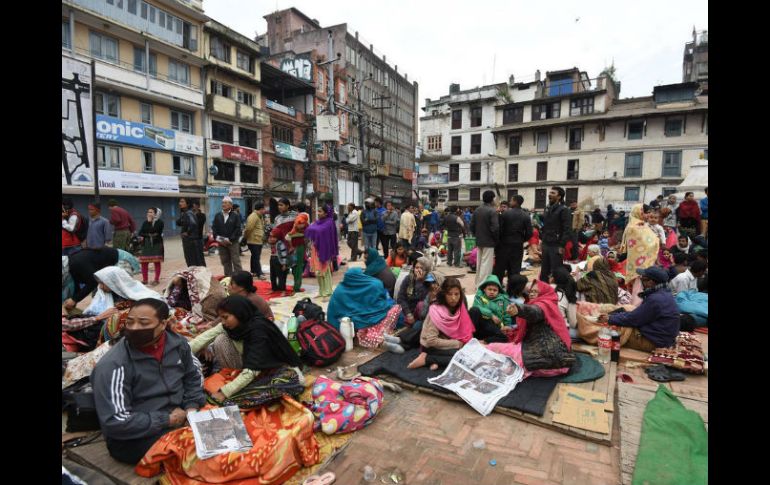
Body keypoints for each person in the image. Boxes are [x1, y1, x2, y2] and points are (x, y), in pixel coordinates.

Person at [92, 298, 205, 465]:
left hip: (180, 415)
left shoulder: (178, 344)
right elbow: (115, 421)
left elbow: (192, 377)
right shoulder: (114, 365)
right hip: (136, 436)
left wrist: (191, 407)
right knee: (196, 452)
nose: (134, 328)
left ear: (163, 324)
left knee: (227, 432)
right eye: (130, 322)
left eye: (143, 323)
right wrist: (168, 419)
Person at [189, 296, 304, 408]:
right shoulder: (233, 326)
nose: (223, 322)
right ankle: (241, 383)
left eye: (225, 317)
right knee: (221, 339)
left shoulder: (259, 330)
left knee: (231, 399)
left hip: (279, 371)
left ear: (239, 314)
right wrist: (181, 353)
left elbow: (252, 369)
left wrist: (224, 392)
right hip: (254, 370)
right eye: (221, 318)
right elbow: (203, 338)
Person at [407, 277, 507, 370]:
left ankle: (437, 361)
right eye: (449, 294)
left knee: (470, 354)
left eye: (456, 294)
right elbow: (431, 341)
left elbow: (463, 331)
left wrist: (468, 343)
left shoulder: (459, 308)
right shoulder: (436, 311)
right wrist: (458, 344)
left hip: (447, 343)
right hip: (431, 346)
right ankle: (427, 359)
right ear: (444, 294)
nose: (453, 298)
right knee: (463, 357)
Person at [598, 267, 680, 351]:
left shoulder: (655, 299)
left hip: (653, 342)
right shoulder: (665, 293)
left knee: (612, 330)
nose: (641, 282)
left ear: (651, 282)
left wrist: (610, 318)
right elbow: (638, 315)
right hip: (662, 338)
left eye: (643, 279)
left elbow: (633, 319)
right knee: (625, 311)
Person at [327, 267, 403, 349]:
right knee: (394, 309)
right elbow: (380, 305)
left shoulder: (340, 289)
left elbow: (333, 311)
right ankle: (381, 338)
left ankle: (378, 340)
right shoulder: (372, 284)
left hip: (351, 324)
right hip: (364, 322)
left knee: (362, 328)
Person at [62, 247, 139, 311]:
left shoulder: (77, 263)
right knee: (99, 296)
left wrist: (75, 299)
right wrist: (73, 301)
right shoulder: (70, 268)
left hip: (120, 260)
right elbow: (77, 288)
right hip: (103, 272)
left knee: (118, 295)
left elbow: (93, 282)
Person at [619, 204, 660, 304]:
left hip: (642, 260)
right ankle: (636, 306)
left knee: (642, 285)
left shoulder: (642, 225)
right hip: (638, 261)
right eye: (646, 213)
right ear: (640, 213)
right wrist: (656, 240)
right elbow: (644, 243)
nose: (649, 215)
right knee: (639, 284)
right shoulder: (635, 227)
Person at [495, 194, 533, 292]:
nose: (510, 202)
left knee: (500, 269)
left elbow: (499, 230)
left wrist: (499, 242)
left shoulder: (505, 214)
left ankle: (497, 289)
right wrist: (522, 239)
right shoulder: (526, 215)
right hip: (517, 245)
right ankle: (512, 290)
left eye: (511, 200)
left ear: (515, 201)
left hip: (503, 245)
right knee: (515, 269)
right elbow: (529, 232)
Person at [304, 204, 339, 299]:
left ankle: (328, 291)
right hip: (316, 248)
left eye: (320, 211)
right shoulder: (318, 222)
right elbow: (309, 229)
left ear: (326, 213)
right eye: (318, 211)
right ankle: (321, 291)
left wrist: (314, 229)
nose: (318, 213)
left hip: (325, 250)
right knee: (318, 271)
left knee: (325, 271)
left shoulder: (330, 222)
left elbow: (318, 231)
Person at [539, 187, 571, 282]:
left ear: (559, 196)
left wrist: (562, 245)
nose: (549, 194)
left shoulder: (564, 210)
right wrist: (542, 240)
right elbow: (545, 226)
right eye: (550, 192)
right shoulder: (547, 208)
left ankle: (557, 288)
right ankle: (543, 286)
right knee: (544, 268)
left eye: (553, 193)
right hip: (546, 243)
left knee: (556, 269)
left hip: (556, 245)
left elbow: (567, 229)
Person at [470, 190, 500, 287]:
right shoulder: (492, 211)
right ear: (492, 199)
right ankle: (482, 286)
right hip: (489, 241)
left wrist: (477, 235)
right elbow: (495, 228)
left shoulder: (477, 210)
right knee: (486, 265)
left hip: (479, 240)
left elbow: (472, 226)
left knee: (479, 264)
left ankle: (477, 284)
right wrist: (496, 239)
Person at [396, 257, 434, 329]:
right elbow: (400, 298)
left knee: (417, 327)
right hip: (407, 310)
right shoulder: (408, 278)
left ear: (427, 270)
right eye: (416, 267)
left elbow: (423, 300)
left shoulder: (430, 281)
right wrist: (408, 313)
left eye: (421, 268)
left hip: (422, 313)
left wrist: (419, 282)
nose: (418, 270)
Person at [212, 196, 243, 277]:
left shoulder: (235, 216)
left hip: (232, 242)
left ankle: (240, 278)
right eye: (223, 203)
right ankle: (228, 277)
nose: (223, 204)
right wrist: (218, 238)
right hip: (221, 243)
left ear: (231, 205)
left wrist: (230, 239)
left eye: (226, 203)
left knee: (236, 261)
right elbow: (214, 228)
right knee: (225, 261)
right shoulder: (218, 215)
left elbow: (238, 229)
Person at [138, 207, 164, 286]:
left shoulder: (160, 222)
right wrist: (149, 234)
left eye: (151, 212)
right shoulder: (145, 222)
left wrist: (148, 231)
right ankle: (145, 279)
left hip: (156, 244)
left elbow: (156, 231)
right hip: (146, 244)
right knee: (144, 262)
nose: (149, 214)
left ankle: (156, 279)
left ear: (155, 214)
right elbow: (140, 232)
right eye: (148, 212)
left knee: (156, 262)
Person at [286, 211, 308, 295]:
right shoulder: (294, 230)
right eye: (298, 223)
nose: (300, 225)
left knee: (298, 268)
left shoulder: (306, 228)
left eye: (302, 223)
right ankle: (296, 286)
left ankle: (296, 286)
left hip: (300, 249)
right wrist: (291, 246)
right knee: (296, 267)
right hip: (296, 249)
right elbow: (287, 237)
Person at [177, 198, 203, 267]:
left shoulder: (188, 213)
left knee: (191, 260)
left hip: (190, 240)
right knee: (190, 260)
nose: (180, 203)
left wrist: (187, 232)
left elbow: (193, 224)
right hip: (188, 240)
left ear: (187, 204)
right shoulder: (185, 213)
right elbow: (178, 222)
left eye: (182, 202)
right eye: (180, 202)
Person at [551, 267, 578, 335]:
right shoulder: (569, 295)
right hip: (560, 330)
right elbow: (573, 323)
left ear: (554, 279)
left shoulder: (547, 290)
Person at [243, 202, 267, 280]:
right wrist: (245, 238)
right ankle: (259, 273)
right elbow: (248, 228)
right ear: (261, 209)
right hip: (253, 240)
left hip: (258, 240)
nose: (265, 210)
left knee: (254, 256)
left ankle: (254, 271)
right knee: (256, 257)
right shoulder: (253, 216)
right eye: (264, 209)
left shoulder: (259, 216)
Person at [267, 229, 288, 293]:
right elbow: (268, 241)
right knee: (272, 275)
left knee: (280, 276)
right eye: (271, 237)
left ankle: (283, 290)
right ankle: (274, 288)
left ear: (278, 237)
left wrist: (284, 264)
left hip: (279, 261)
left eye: (274, 237)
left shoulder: (280, 244)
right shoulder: (272, 243)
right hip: (272, 259)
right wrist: (269, 239)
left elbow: (284, 254)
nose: (272, 239)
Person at [191, 200, 207, 266]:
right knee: (193, 256)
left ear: (198, 206)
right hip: (191, 238)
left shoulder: (202, 215)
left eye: (194, 206)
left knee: (200, 255)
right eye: (193, 206)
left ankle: (203, 268)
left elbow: (199, 224)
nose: (193, 207)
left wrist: (194, 216)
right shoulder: (191, 214)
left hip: (199, 238)